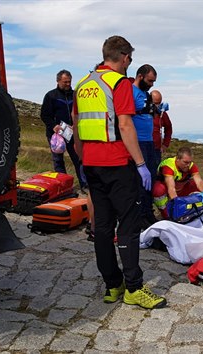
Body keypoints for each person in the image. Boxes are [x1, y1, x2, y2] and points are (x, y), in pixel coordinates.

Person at [72, 35, 166, 309]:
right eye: (130, 59)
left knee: (101, 227)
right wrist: (140, 164)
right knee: (127, 225)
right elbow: (125, 126)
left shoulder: (83, 84)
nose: (129, 64)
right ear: (124, 57)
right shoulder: (118, 83)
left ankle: (112, 285)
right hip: (117, 164)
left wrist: (82, 160)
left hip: (91, 163)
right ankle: (134, 288)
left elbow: (77, 126)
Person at [40, 69, 86, 191]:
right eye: (65, 82)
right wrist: (54, 126)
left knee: (78, 159)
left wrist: (75, 125)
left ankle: (84, 185)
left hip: (72, 133)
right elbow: (44, 115)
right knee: (58, 161)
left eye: (69, 82)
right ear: (58, 81)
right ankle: (64, 188)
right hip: (56, 135)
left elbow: (80, 113)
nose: (67, 84)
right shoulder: (51, 96)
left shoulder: (75, 95)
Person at [131, 64, 158, 229]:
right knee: (141, 181)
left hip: (149, 141)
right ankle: (139, 215)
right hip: (138, 141)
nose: (152, 84)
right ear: (140, 76)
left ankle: (148, 212)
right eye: (150, 81)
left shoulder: (145, 94)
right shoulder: (131, 93)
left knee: (151, 179)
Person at [152, 146, 203, 219]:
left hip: (179, 188)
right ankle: (167, 214)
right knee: (158, 190)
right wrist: (176, 204)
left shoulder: (190, 165)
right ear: (177, 159)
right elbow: (171, 188)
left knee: (195, 185)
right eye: (185, 162)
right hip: (167, 190)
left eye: (190, 162)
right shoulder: (168, 166)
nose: (188, 165)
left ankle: (192, 208)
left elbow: (199, 181)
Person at [151, 90, 173, 168]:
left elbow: (169, 128)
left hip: (156, 150)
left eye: (159, 103)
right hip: (142, 148)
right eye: (156, 103)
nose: (158, 106)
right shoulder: (143, 112)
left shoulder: (162, 114)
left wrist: (165, 144)